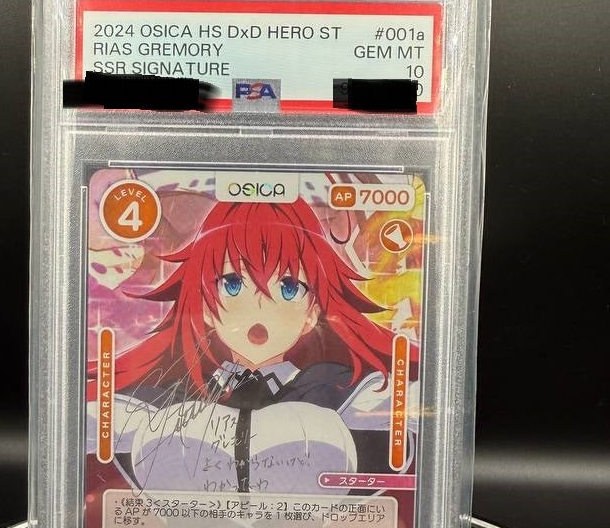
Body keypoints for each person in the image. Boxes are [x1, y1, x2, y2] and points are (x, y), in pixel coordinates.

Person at [102, 196, 417, 495]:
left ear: (312, 314)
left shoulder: (338, 389)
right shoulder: (173, 392)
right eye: (233, 284)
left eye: (289, 287)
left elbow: (398, 430)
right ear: (205, 308)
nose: (260, 307)